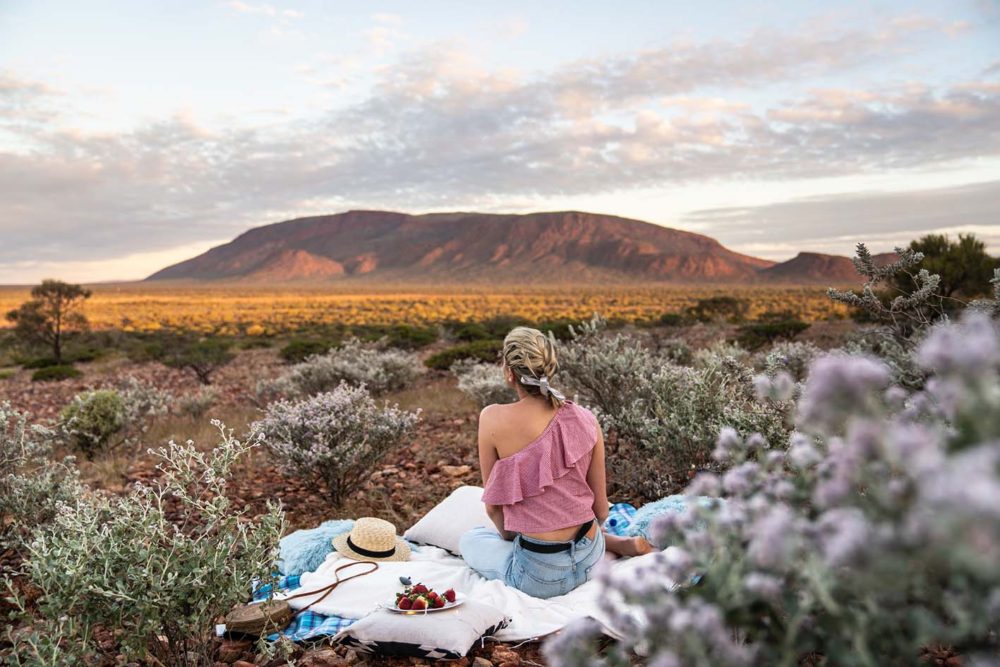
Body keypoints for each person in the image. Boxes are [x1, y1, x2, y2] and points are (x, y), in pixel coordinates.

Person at [459, 326, 651, 599]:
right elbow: (601, 510)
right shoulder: (586, 418)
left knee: (472, 538)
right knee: (576, 528)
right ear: (550, 368)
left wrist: (512, 539)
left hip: (539, 575)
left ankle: (613, 544)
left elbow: (494, 510)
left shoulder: (492, 418)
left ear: (509, 373)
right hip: (590, 558)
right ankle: (618, 544)